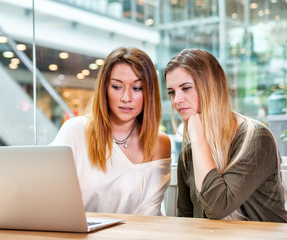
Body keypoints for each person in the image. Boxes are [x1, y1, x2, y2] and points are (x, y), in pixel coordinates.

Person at [163, 48, 287, 222]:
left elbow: (218, 207)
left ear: (211, 87)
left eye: (186, 88)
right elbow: (186, 218)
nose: (176, 100)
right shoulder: (189, 153)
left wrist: (197, 135)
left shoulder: (256, 138)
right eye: (172, 92)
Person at [50, 47, 171, 216]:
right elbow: (50, 199)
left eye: (137, 88)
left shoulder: (159, 143)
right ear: (105, 89)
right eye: (117, 86)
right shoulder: (76, 131)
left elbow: (150, 214)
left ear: (149, 92)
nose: (126, 98)